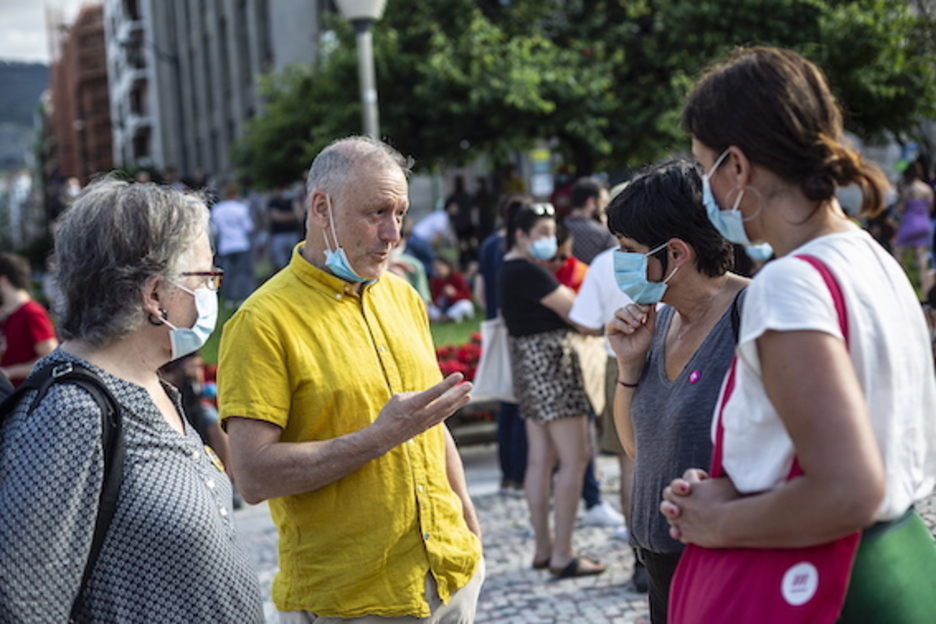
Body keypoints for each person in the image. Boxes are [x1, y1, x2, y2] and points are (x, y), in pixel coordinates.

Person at [662, 47, 936, 621]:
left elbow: (847, 489)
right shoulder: (872, 258)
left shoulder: (789, 284)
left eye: (705, 168)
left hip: (828, 582)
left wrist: (716, 521)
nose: (706, 191)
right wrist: (741, 481)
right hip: (900, 564)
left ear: (738, 167)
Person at [217, 136, 484, 622]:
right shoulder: (261, 322)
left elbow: (427, 420)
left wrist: (465, 513)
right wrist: (378, 438)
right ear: (321, 208)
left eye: (400, 214)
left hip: (450, 575)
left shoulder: (402, 295)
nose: (393, 233)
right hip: (351, 599)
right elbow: (252, 476)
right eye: (377, 212)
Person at [0, 178, 264, 622]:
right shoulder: (71, 413)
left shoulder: (152, 384)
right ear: (155, 295)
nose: (212, 290)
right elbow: (25, 605)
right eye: (206, 276)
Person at [604, 160, 749, 622]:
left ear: (677, 253)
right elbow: (637, 448)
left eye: (629, 249)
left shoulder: (752, 315)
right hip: (661, 565)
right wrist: (630, 364)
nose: (619, 260)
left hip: (725, 564)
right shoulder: (661, 320)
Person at [498, 199, 605, 578]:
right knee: (575, 459)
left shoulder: (508, 268)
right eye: (541, 233)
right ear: (521, 235)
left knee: (540, 460)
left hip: (530, 372)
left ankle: (544, 548)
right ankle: (563, 553)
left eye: (552, 232)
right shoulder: (529, 272)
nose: (550, 239)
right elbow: (581, 316)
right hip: (554, 369)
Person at [474, 194, 528, 497]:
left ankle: (507, 475)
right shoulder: (517, 246)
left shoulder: (488, 245)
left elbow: (480, 291)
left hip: (496, 326)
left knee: (506, 404)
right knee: (520, 404)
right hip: (519, 329)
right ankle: (519, 475)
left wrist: (493, 312)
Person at [0, 252, 58, 387]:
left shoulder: (32, 313)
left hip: (25, 394)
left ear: (3, 280)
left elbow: (50, 358)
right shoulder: (9, 314)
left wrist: (9, 372)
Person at [211, 182, 255, 306]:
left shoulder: (217, 209)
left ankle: (229, 299)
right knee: (242, 273)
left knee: (228, 274)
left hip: (226, 245)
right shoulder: (241, 208)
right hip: (241, 244)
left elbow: (215, 230)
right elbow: (248, 227)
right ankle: (242, 297)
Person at [894, 159, 934, 294]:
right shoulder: (927, 189)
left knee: (899, 253)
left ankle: (896, 284)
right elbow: (931, 206)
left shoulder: (909, 189)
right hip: (924, 223)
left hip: (910, 223)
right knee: (922, 257)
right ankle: (925, 288)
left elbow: (901, 208)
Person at [563, 177, 617, 265]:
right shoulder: (604, 233)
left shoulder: (560, 227)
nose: (605, 208)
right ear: (591, 202)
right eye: (603, 202)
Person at [267, 184, 305, 272]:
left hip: (293, 234)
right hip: (278, 235)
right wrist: (291, 216)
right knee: (280, 261)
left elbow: (299, 216)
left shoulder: (293, 202)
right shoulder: (273, 202)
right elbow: (276, 217)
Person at [428, 257, 476, 323]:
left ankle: (446, 318)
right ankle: (445, 318)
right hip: (443, 308)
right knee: (431, 308)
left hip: (455, 306)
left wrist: (454, 294)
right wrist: (437, 302)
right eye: (436, 269)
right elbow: (433, 298)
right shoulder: (435, 281)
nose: (439, 270)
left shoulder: (457, 277)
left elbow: (467, 296)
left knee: (466, 305)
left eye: (441, 267)